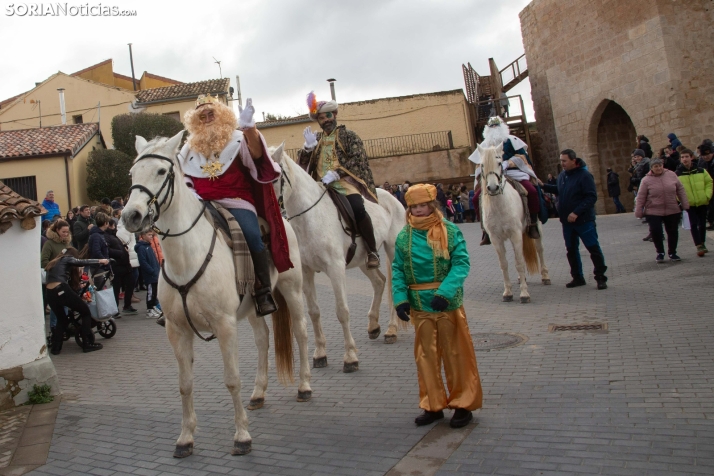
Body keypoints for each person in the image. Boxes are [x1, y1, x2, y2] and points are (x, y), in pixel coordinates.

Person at [179, 94, 291, 316]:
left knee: (252, 235)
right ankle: (179, 294)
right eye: (203, 116)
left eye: (212, 113)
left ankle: (263, 290)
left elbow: (258, 157)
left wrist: (250, 129)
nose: (208, 118)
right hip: (202, 204)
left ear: (220, 115)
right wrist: (191, 194)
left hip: (237, 202)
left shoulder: (238, 139)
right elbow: (185, 179)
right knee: (181, 236)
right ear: (196, 121)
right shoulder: (188, 150)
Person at [392, 183, 482, 428]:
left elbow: (461, 263)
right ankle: (432, 404)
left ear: (432, 205)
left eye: (423, 205)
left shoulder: (450, 231)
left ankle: (463, 404)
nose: (418, 210)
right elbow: (397, 270)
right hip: (419, 306)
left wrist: (445, 292)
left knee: (456, 354)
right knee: (425, 357)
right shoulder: (403, 235)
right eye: (414, 206)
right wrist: (400, 299)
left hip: (446, 305)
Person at [298, 91, 380, 269]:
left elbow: (358, 158)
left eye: (328, 116)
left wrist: (337, 173)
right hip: (321, 186)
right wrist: (307, 148)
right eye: (321, 118)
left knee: (358, 208)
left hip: (344, 184)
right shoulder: (317, 139)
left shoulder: (349, 136)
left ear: (334, 115)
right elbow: (302, 164)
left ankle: (372, 250)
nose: (325, 120)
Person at [470, 116, 543, 244]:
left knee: (531, 191)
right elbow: (478, 164)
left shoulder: (513, 141)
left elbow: (523, 157)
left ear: (502, 127)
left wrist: (508, 163)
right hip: (493, 176)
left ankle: (532, 224)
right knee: (476, 198)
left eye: (496, 126)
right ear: (487, 129)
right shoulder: (484, 146)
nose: (494, 129)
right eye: (491, 126)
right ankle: (486, 230)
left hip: (514, 173)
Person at [542, 149, 608, 290]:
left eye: (564, 161)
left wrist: (576, 212)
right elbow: (560, 190)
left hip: (584, 221)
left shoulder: (584, 176)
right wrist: (543, 186)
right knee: (571, 250)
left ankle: (601, 277)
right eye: (561, 161)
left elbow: (591, 197)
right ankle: (577, 277)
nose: (562, 163)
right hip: (567, 223)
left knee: (593, 248)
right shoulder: (562, 176)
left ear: (573, 160)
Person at [45, 248, 107, 354]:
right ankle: (87, 343)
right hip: (61, 289)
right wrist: (99, 261)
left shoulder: (53, 262)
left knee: (62, 319)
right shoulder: (66, 258)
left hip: (50, 293)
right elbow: (80, 262)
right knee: (85, 312)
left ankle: (56, 348)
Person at [635, 157, 689, 262]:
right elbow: (641, 196)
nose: (659, 168)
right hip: (653, 210)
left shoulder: (672, 175)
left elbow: (680, 190)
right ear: (651, 168)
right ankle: (660, 252)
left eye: (660, 165)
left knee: (672, 231)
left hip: (672, 208)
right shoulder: (646, 180)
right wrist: (639, 210)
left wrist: (685, 204)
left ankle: (672, 252)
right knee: (656, 231)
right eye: (656, 166)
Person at [676, 148, 712, 257]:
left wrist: (707, 196)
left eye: (686, 156)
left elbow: (709, 183)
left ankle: (702, 242)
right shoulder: (677, 173)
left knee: (702, 223)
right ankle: (698, 245)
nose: (684, 159)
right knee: (693, 223)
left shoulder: (701, 170)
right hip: (689, 203)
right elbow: (675, 188)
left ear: (691, 157)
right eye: (682, 157)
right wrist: (681, 199)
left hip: (702, 201)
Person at [105, 219, 137, 315]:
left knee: (131, 283)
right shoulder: (106, 236)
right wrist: (120, 252)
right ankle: (115, 309)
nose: (114, 228)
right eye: (112, 226)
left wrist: (124, 248)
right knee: (116, 288)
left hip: (125, 264)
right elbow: (108, 250)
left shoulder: (115, 235)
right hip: (116, 265)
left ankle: (127, 305)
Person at [135, 231, 162, 320]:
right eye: (149, 235)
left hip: (154, 274)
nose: (151, 236)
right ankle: (149, 309)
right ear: (143, 236)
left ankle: (153, 306)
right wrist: (151, 271)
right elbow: (143, 262)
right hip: (150, 275)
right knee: (150, 292)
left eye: (151, 235)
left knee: (154, 292)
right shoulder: (142, 248)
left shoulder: (148, 246)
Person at [116, 217, 141, 304]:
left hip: (132, 254)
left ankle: (131, 294)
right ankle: (129, 295)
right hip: (129, 255)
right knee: (132, 277)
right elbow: (125, 243)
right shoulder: (123, 230)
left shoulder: (129, 229)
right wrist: (131, 248)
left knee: (135, 275)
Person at [87, 212, 111, 290]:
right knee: (100, 287)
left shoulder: (98, 234)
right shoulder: (97, 235)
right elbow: (96, 251)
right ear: (105, 223)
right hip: (98, 266)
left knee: (101, 286)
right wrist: (104, 260)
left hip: (99, 265)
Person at [696, 144, 714, 230]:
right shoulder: (702, 162)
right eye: (704, 155)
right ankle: (711, 222)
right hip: (708, 187)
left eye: (708, 155)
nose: (706, 157)